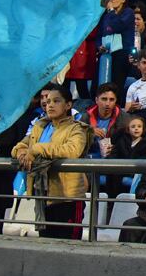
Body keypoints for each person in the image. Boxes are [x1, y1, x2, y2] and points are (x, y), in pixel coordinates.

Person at [11, 84, 91, 239]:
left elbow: (72, 150)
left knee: (67, 244)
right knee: (46, 243)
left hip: (67, 197)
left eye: (56, 101)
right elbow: (20, 145)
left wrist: (36, 149)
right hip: (43, 195)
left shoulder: (77, 128)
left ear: (68, 105)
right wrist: (22, 152)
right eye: (47, 102)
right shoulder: (40, 126)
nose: (50, 105)